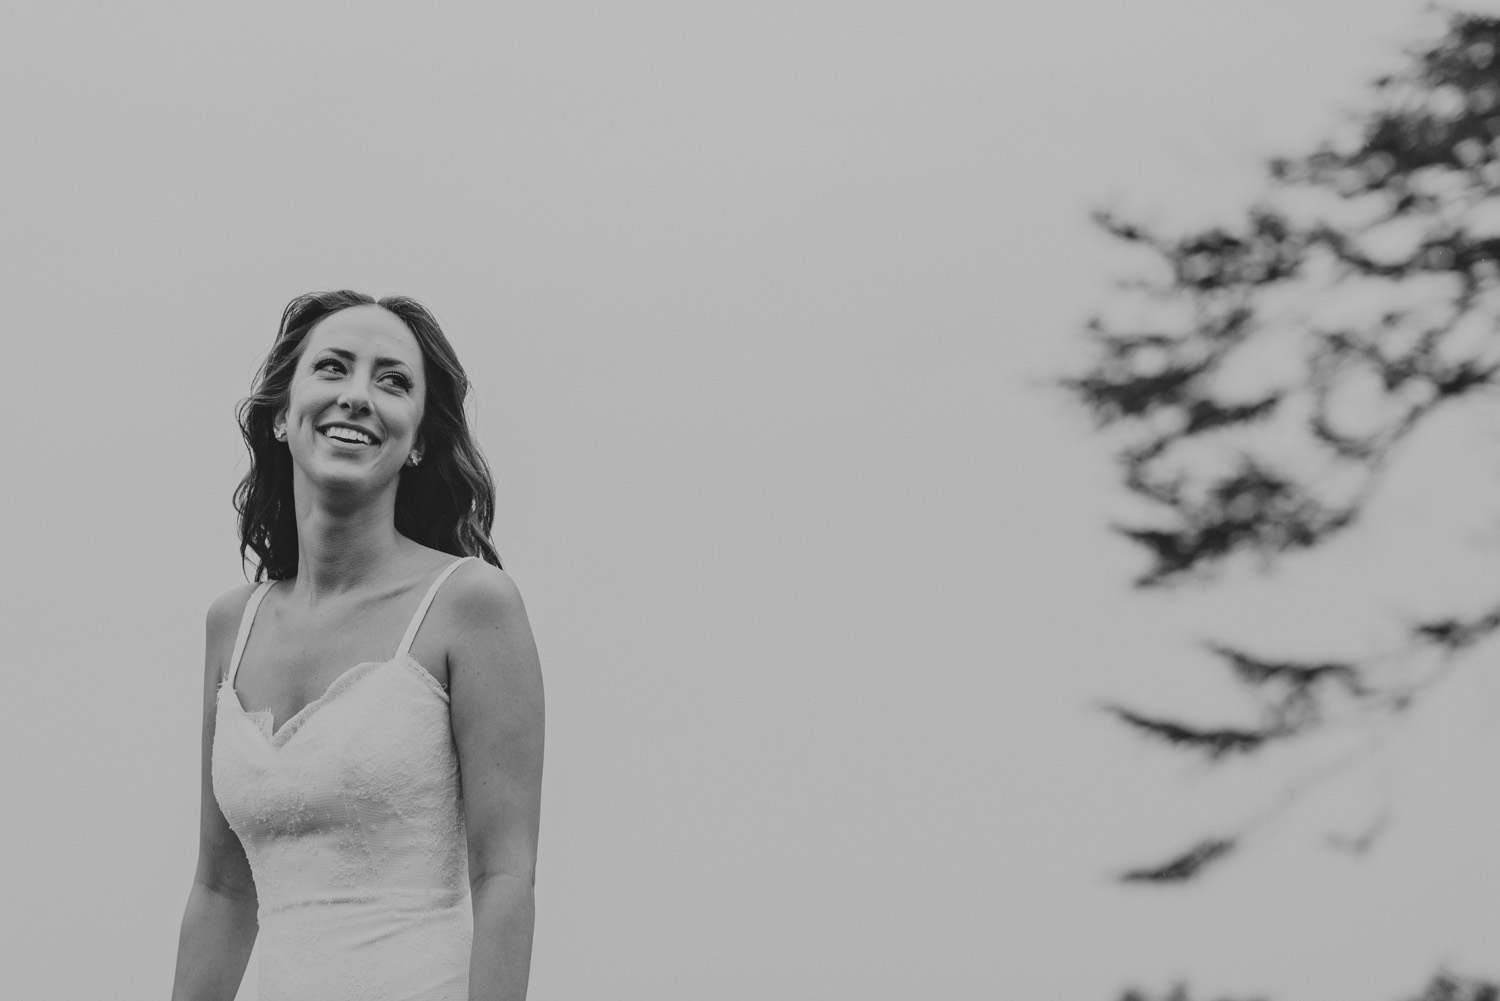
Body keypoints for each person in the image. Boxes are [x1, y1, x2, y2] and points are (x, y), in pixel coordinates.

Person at [170, 291, 544, 1001]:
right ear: (283, 414)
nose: (357, 396)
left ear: (420, 438)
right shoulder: (232, 624)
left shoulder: (470, 605)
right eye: (333, 368)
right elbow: (221, 889)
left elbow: (504, 877)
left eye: (393, 380)